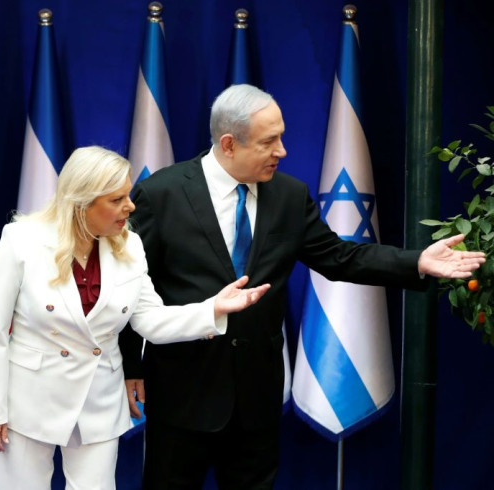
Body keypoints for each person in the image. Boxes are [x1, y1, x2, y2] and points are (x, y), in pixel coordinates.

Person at [118, 83, 486, 489]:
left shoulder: (290, 196)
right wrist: (131, 366)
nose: (282, 151)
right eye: (269, 141)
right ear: (228, 144)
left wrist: (416, 261)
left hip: (256, 397)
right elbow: (129, 285)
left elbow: (339, 257)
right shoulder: (161, 194)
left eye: (282, 136)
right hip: (182, 393)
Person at [0, 145, 271, 490]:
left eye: (127, 195)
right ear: (82, 203)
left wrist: (212, 309)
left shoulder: (131, 246)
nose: (130, 206)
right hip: (28, 400)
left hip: (99, 401)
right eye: (117, 200)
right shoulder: (22, 240)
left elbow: (151, 321)